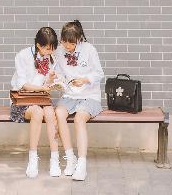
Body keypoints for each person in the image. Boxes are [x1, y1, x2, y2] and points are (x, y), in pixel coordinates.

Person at [55, 19, 104, 181]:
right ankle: (70, 158)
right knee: (59, 113)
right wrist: (59, 81)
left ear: (79, 40)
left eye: (71, 43)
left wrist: (84, 80)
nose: (67, 46)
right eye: (64, 42)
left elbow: (99, 73)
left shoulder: (89, 50)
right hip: (70, 95)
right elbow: (60, 73)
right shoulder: (59, 52)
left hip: (89, 96)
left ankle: (82, 164)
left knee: (79, 119)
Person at [10, 26, 61, 178]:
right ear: (38, 45)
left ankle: (55, 159)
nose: (50, 52)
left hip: (42, 98)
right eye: (47, 48)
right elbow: (22, 84)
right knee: (38, 112)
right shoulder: (22, 55)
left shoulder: (51, 57)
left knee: (51, 113)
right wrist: (43, 88)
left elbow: (46, 83)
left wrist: (51, 80)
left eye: (53, 48)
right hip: (23, 100)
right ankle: (33, 159)